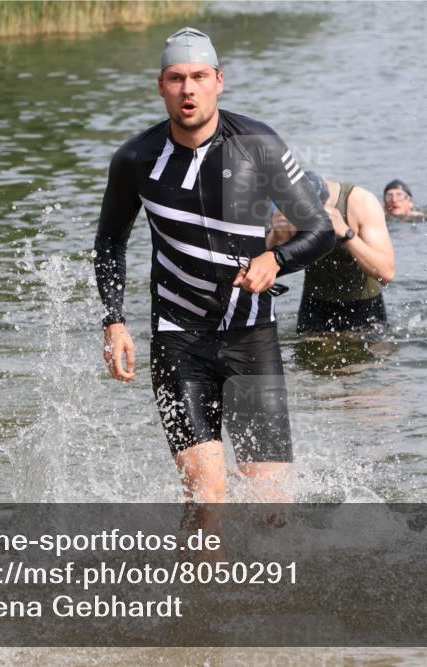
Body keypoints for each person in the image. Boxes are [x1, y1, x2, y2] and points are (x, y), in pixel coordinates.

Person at [93, 28, 335, 503]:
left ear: (219, 81)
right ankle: (200, 577)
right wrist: (114, 322)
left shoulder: (257, 144)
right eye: (177, 78)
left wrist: (276, 259)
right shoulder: (135, 159)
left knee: (272, 508)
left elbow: (321, 230)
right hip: (178, 342)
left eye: (199, 76)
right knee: (208, 503)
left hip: (252, 339)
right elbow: (108, 242)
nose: (189, 89)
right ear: (161, 85)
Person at [268, 171, 396, 332]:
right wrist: (276, 236)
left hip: (364, 306)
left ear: (326, 202)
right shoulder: (287, 210)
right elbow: (260, 270)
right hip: (315, 305)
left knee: (369, 355)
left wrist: (346, 234)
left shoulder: (360, 202)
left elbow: (386, 273)